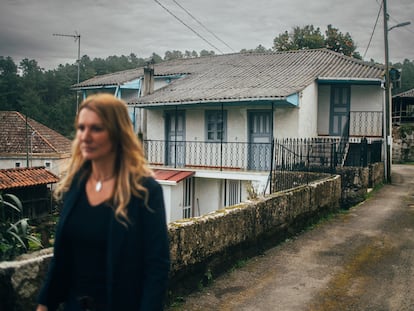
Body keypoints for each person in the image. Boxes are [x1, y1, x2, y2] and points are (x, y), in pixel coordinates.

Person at [36, 93, 170, 311]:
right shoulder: (74, 185)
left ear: (118, 134)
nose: (85, 136)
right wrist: (44, 304)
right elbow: (62, 258)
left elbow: (157, 266)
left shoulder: (144, 190)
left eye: (96, 128)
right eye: (81, 128)